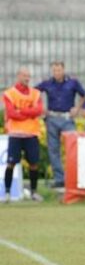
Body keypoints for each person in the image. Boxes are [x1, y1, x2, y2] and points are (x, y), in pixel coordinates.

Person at [35, 61, 85, 190]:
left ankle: (73, 177)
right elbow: (34, 92)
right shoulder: (47, 83)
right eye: (54, 70)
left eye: (59, 70)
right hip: (51, 118)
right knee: (53, 150)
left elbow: (84, 95)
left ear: (63, 70)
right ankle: (59, 179)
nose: (57, 73)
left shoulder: (72, 82)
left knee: (72, 148)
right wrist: (40, 108)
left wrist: (77, 108)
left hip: (67, 118)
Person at [3, 67, 44, 202]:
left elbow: (38, 111)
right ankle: (7, 193)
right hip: (15, 134)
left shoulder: (36, 93)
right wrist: (28, 112)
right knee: (11, 163)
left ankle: (33, 192)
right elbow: (11, 113)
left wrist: (20, 110)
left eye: (28, 76)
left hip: (31, 134)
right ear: (18, 76)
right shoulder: (9, 93)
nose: (27, 78)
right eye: (25, 75)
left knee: (34, 164)